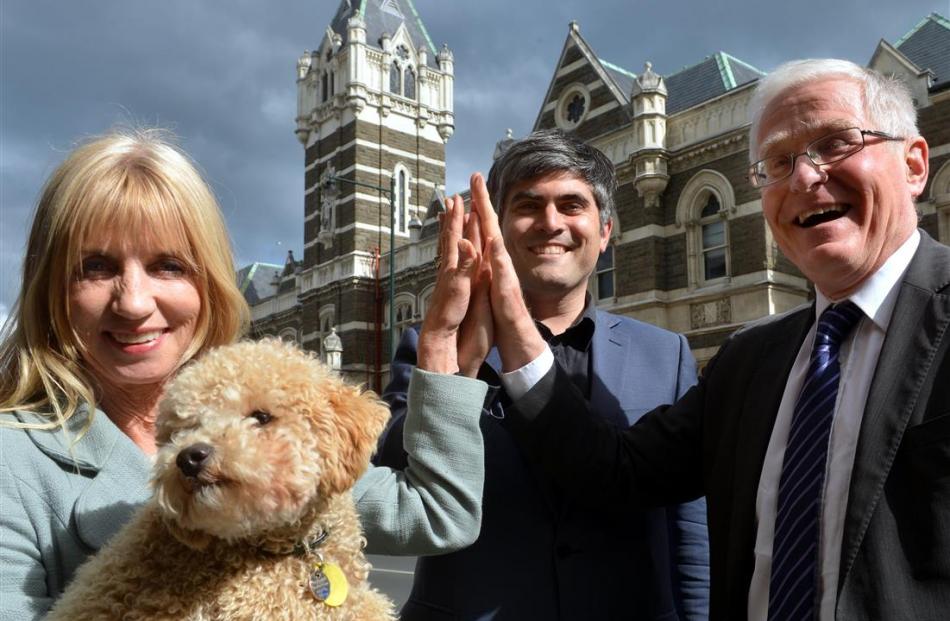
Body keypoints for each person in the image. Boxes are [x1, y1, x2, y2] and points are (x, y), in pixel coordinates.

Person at [470, 59, 945, 620]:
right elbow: (617, 471)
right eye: (777, 161)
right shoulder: (750, 360)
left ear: (914, 165)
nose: (805, 177)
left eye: (836, 143)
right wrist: (515, 328)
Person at [0, 129, 488, 620]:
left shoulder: (280, 422)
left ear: (208, 281)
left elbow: (438, 515)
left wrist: (439, 343)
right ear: (51, 288)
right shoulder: (14, 462)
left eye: (167, 266)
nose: (133, 302)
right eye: (95, 267)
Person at [375, 130, 710, 620]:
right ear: (498, 230)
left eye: (572, 205)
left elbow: (687, 529)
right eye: (528, 206)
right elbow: (394, 482)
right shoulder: (434, 347)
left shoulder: (665, 353)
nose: (551, 223)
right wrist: (457, 367)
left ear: (606, 232)